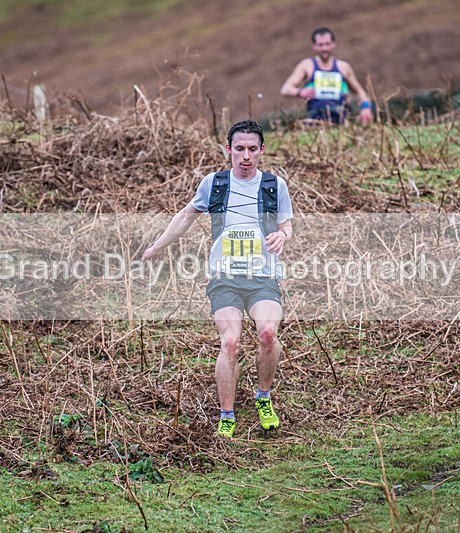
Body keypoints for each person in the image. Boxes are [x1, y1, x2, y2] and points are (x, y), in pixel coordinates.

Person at [142, 120, 293, 438]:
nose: (246, 156)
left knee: (267, 333)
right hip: (224, 278)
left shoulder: (274, 186)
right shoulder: (215, 184)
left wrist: (282, 235)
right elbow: (185, 216)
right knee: (231, 342)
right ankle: (227, 415)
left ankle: (263, 398)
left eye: (253, 149)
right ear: (228, 149)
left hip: (263, 276)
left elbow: (286, 224)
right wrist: (156, 248)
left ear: (262, 150)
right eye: (240, 149)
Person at [280, 27, 374, 125]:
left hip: (340, 121)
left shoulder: (343, 67)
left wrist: (366, 107)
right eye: (320, 45)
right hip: (314, 121)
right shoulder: (307, 65)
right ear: (314, 46)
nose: (324, 48)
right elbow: (285, 89)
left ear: (333, 44)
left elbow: (361, 93)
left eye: (327, 44)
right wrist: (300, 92)